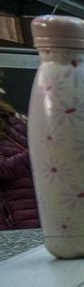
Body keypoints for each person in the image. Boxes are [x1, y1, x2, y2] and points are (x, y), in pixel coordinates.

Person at [0, 80, 38, 230]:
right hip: (15, 221)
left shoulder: (12, 119)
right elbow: (3, 169)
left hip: (45, 212)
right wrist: (40, 152)